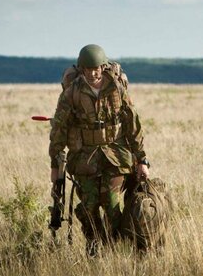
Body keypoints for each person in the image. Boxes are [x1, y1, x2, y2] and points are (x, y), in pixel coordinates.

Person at [48, 44, 150, 255]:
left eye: (96, 68)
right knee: (88, 207)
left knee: (111, 203)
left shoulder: (116, 88)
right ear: (81, 68)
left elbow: (133, 125)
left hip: (116, 155)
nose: (92, 73)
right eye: (87, 69)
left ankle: (116, 247)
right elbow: (59, 129)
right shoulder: (72, 92)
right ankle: (95, 244)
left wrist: (142, 160)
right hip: (84, 157)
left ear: (103, 67)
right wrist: (54, 166)